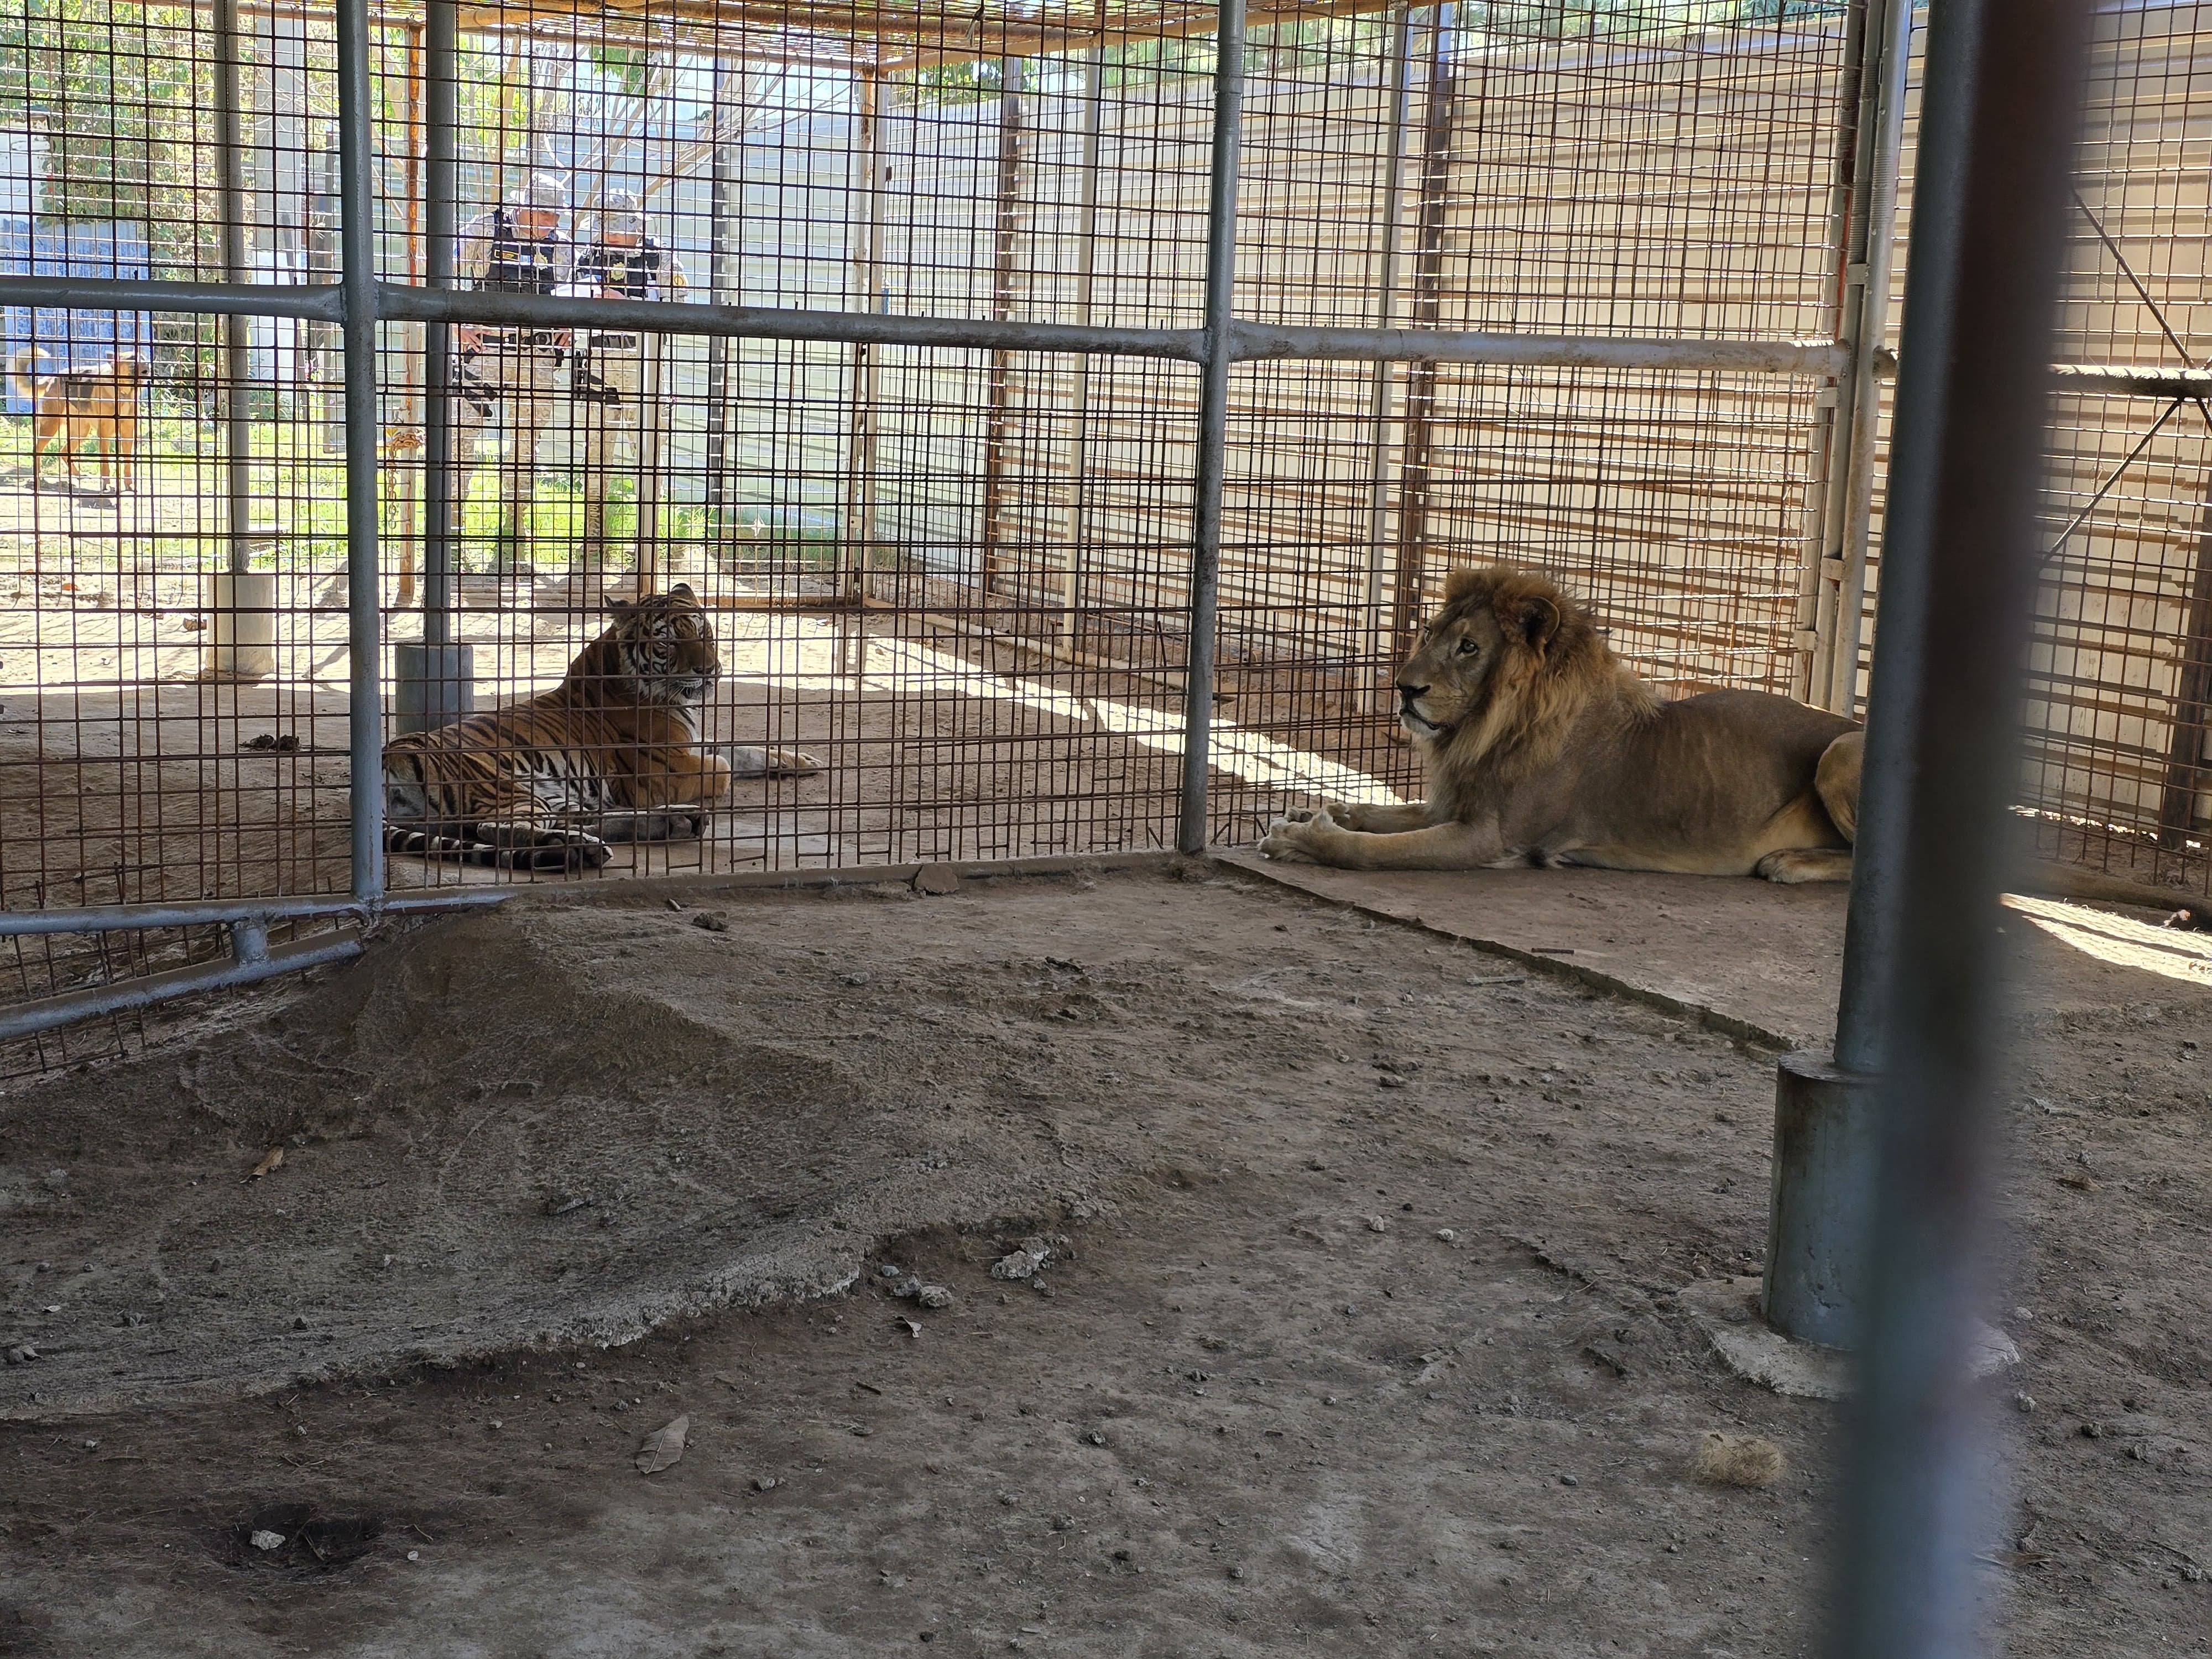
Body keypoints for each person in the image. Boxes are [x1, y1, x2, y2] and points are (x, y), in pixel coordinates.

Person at [451, 173, 571, 572]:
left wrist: (571, 325)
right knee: (460, 438)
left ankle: (515, 538)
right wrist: (455, 323)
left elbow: (572, 295)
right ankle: (450, 536)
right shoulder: (486, 228)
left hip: (535, 356)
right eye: (543, 214)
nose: (550, 223)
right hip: (486, 347)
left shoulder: (562, 248)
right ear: (524, 207)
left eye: (554, 216)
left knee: (525, 447)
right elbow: (444, 269)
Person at [564, 191, 685, 580]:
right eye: (606, 230)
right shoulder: (590, 254)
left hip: (643, 364)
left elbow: (680, 308)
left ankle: (646, 546)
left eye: (618, 230)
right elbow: (572, 294)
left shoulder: (659, 258)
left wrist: (626, 302)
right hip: (598, 362)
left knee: (649, 458)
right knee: (595, 455)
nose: (612, 238)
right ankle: (593, 540)